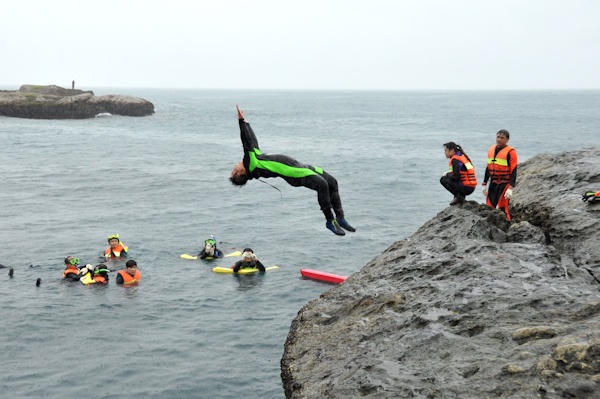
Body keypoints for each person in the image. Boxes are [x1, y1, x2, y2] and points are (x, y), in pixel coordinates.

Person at [230, 105, 355, 236]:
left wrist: (246, 122)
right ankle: (330, 220)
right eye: (234, 170)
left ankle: (340, 217)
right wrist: (240, 122)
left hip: (301, 167)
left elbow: (253, 142)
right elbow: (246, 142)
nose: (234, 166)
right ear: (240, 172)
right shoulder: (251, 165)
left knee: (332, 183)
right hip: (295, 174)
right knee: (322, 185)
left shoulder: (255, 159)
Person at [482, 129, 518, 221]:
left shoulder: (511, 152)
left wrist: (510, 188)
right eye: (498, 137)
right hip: (493, 183)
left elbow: (514, 170)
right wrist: (484, 184)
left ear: (507, 140)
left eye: (502, 138)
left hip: (504, 184)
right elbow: (488, 168)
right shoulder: (491, 150)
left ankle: (508, 226)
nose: (499, 139)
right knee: (489, 207)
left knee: (503, 208)